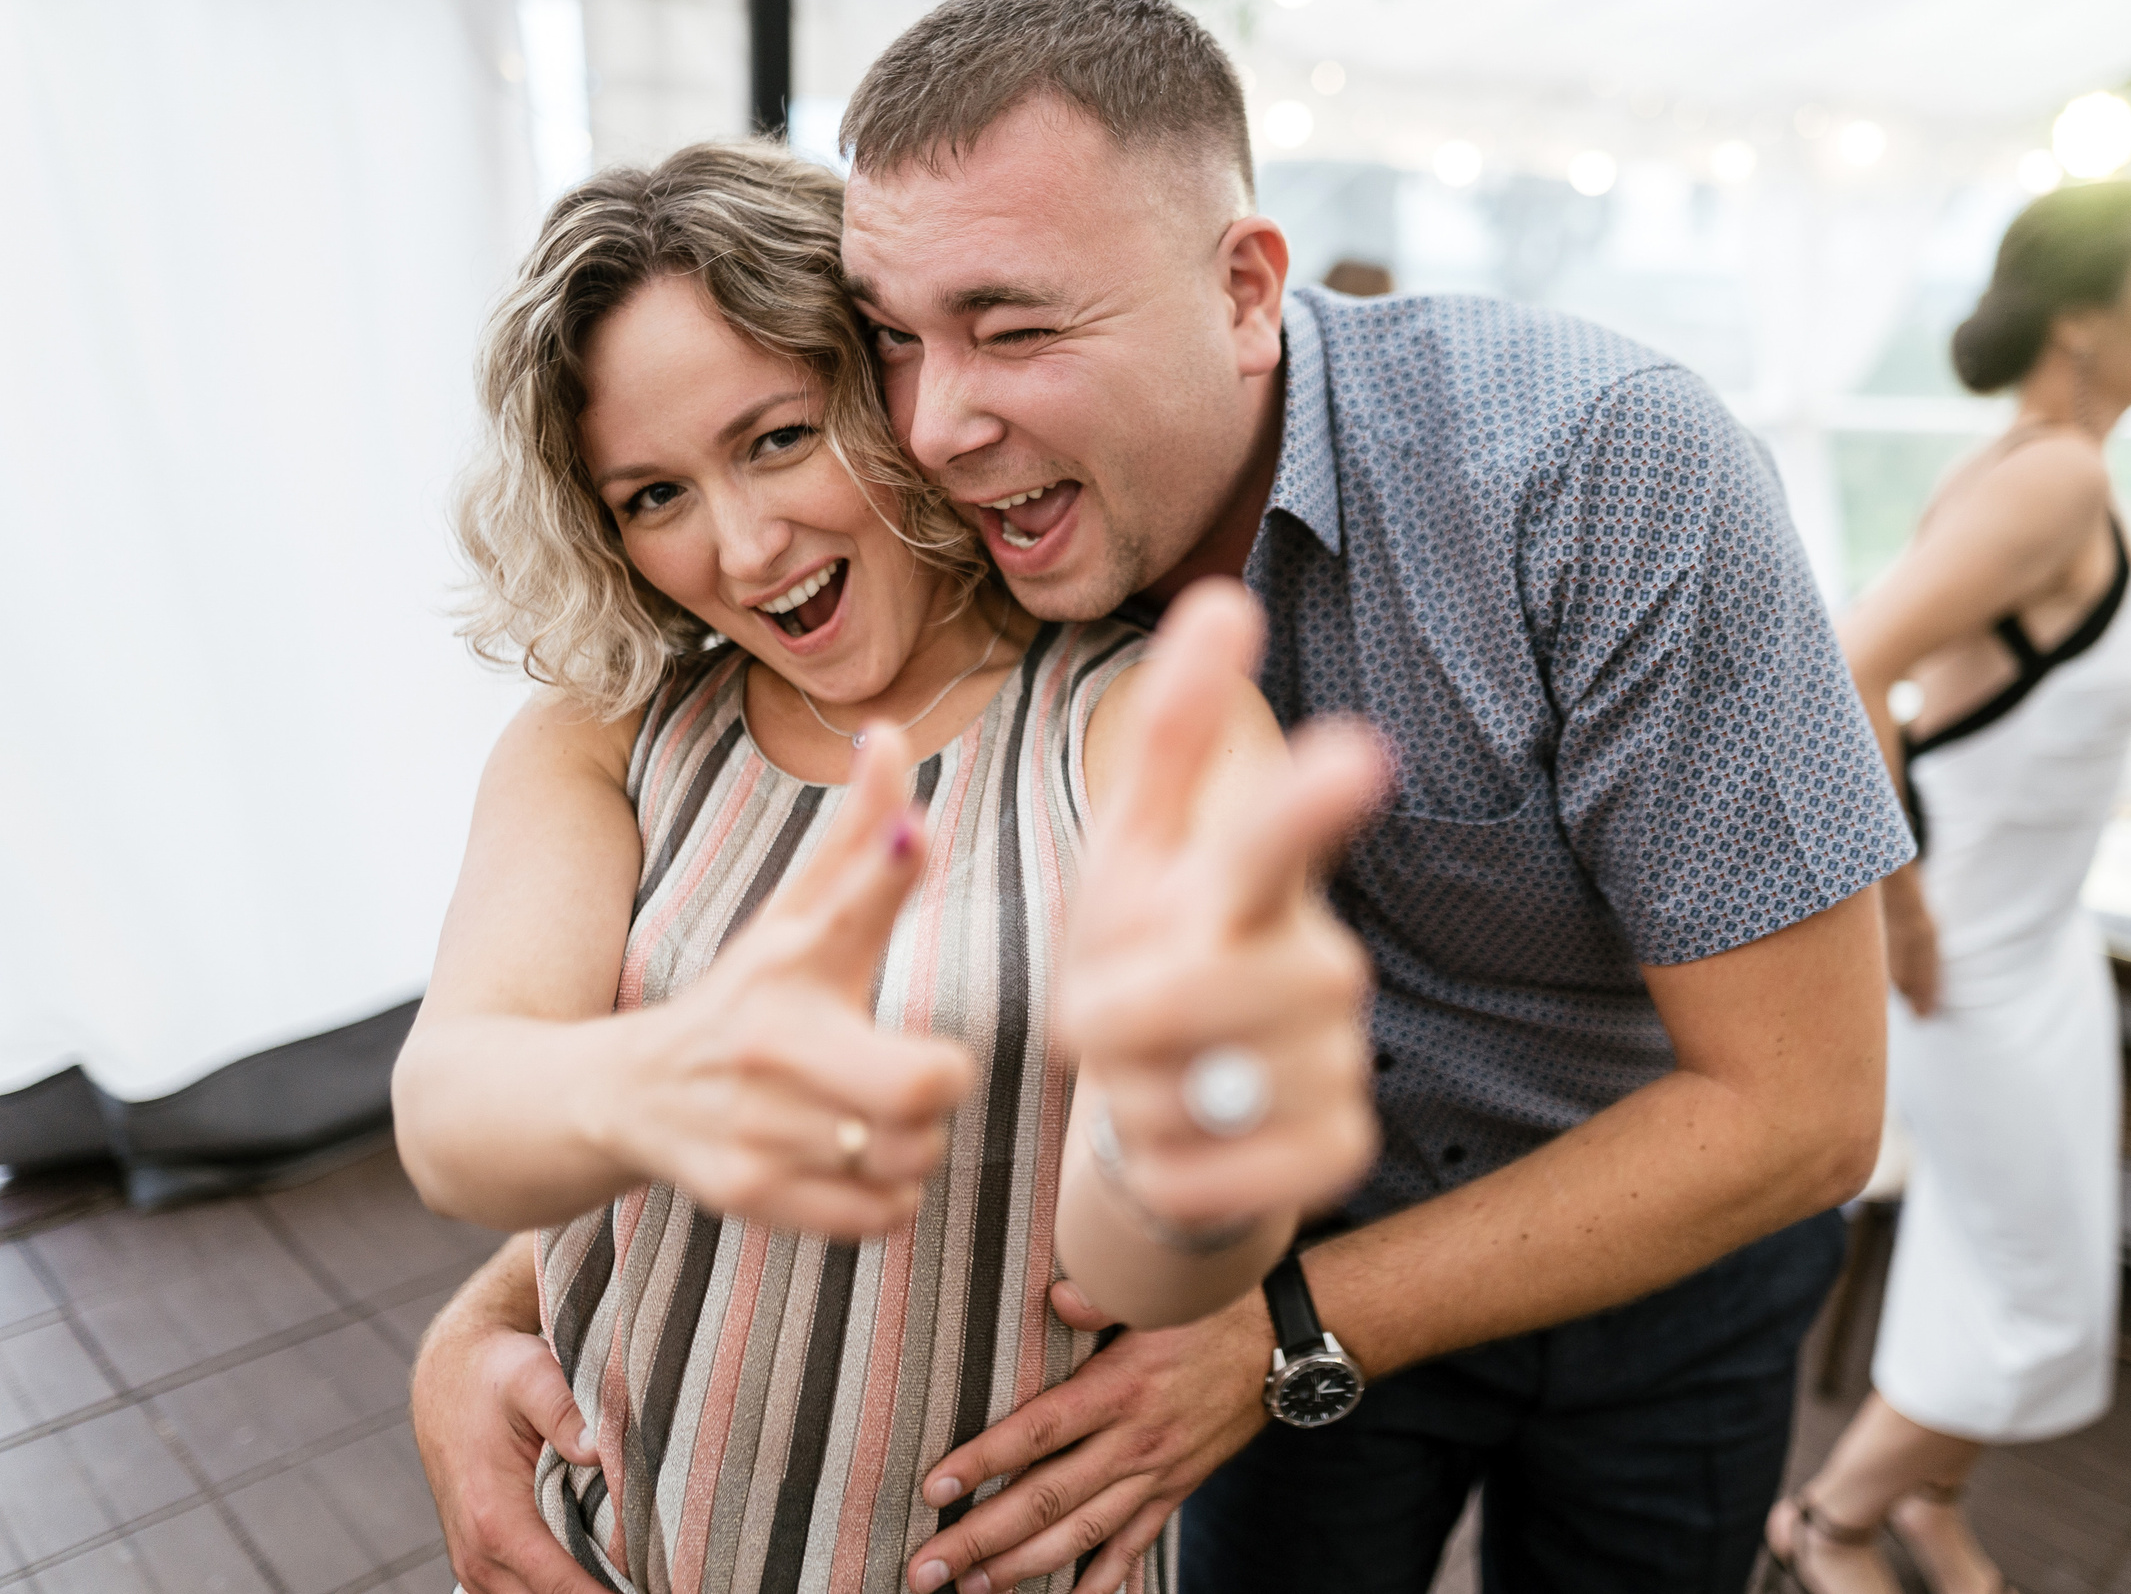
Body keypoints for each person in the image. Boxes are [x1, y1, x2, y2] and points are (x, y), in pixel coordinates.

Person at [417, 0, 1910, 1594]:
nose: (946, 417)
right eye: (899, 343)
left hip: (1642, 1248)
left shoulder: (1594, 469)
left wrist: (1266, 1296)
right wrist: (495, 1307)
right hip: (1232, 1287)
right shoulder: (925, 579)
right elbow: (715, 1046)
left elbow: (1803, 1108)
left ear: (1247, 290)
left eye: (1015, 326)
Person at [392, 139, 1387, 1592]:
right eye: (651, 494)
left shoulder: (1131, 723)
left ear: (889, 388)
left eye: (778, 437)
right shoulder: (608, 734)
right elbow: (451, 1103)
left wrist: (1194, 1152)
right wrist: (665, 1079)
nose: (740, 545)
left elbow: (1130, 1267)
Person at [1764, 182, 2131, 1594]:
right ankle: (1829, 1519)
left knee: (1982, 1252)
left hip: (2036, 935)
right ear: (2087, 319)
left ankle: (1930, 1509)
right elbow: (1847, 666)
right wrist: (1900, 909)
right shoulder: (2053, 476)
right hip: (1976, 953)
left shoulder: (2057, 462)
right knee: (2037, 1293)